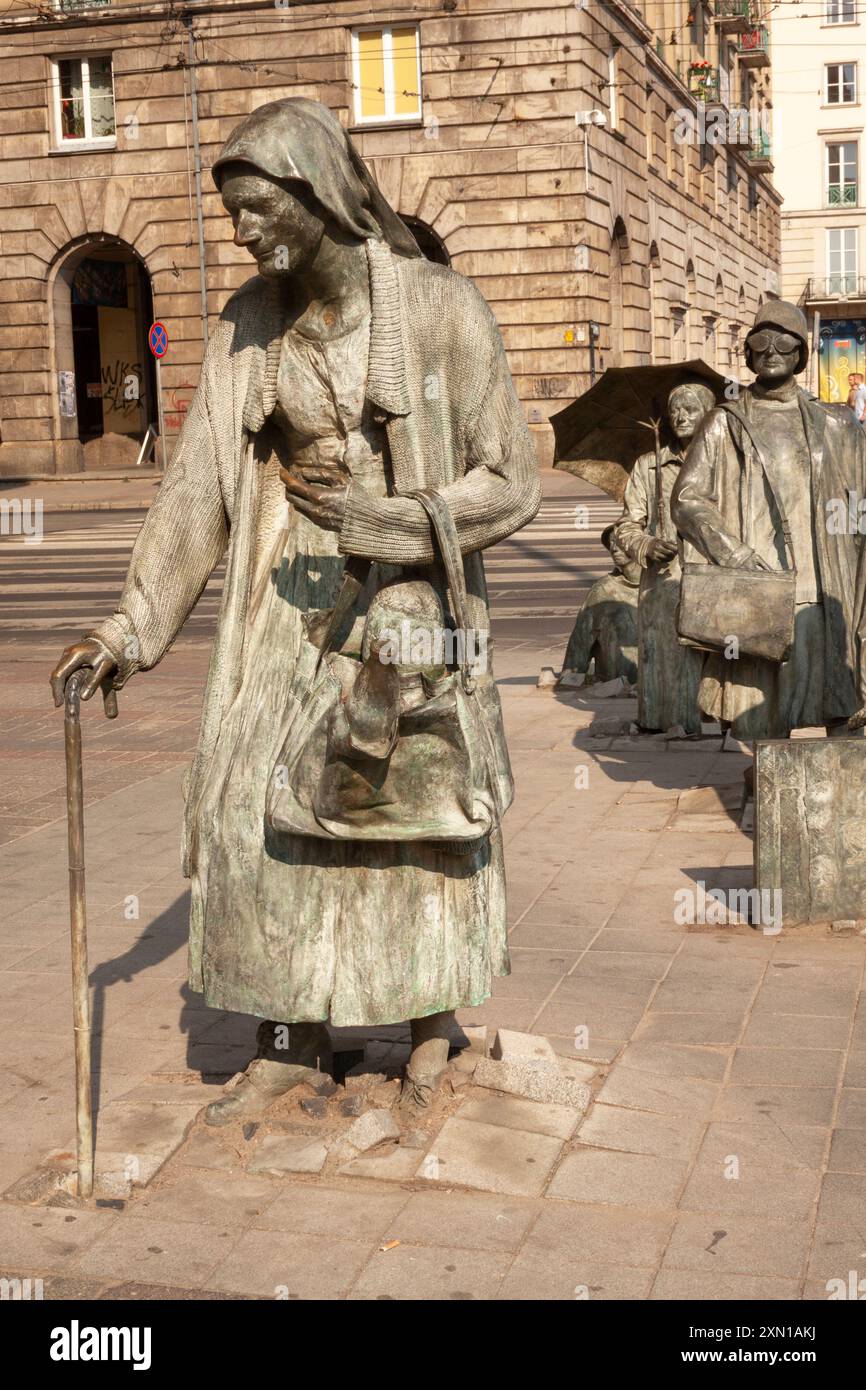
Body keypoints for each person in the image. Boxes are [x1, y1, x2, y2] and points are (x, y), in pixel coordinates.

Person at [49, 98, 541, 1122]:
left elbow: (510, 480)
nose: (244, 231)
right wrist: (127, 631)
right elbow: (194, 490)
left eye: (261, 208)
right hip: (278, 605)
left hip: (402, 598)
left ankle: (427, 1022)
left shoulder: (441, 306)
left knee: (404, 798)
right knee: (250, 809)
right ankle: (288, 1035)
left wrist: (401, 523)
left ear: (318, 193)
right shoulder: (246, 323)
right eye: (233, 213)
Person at [671, 301, 866, 741]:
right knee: (759, 715)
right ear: (748, 353)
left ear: (802, 352)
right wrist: (733, 551)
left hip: (821, 586)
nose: (772, 349)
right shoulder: (725, 423)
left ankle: (831, 788)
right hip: (756, 586)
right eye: (761, 341)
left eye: (785, 341)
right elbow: (686, 499)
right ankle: (763, 775)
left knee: (837, 702)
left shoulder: (836, 424)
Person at [612, 384, 713, 734]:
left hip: (710, 577)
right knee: (663, 659)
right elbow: (625, 526)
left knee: (711, 658)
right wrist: (647, 545)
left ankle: (709, 721)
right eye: (675, 410)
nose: (681, 416)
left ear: (708, 414)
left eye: (690, 409)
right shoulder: (649, 466)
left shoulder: (723, 463)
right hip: (663, 581)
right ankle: (664, 722)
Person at [558, 524, 639, 686]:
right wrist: (571, 676)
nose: (614, 549)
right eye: (611, 544)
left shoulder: (661, 588)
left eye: (621, 542)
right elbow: (581, 639)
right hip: (619, 682)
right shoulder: (603, 590)